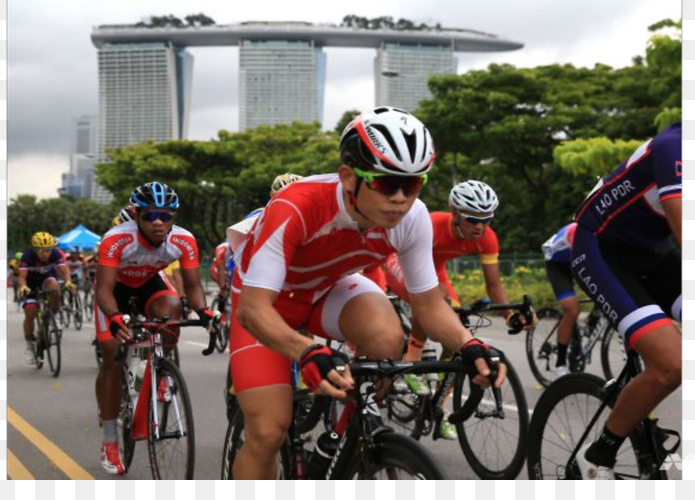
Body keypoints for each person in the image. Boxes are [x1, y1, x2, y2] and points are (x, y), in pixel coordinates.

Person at [229, 106, 507, 479]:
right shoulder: (297, 204)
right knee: (267, 432)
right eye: (385, 183)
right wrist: (306, 350)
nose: (399, 198)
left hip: (326, 290)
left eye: (412, 185)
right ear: (348, 177)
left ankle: (341, 439)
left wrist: (469, 344)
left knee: (387, 337)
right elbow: (253, 308)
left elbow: (427, 305)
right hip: (267, 304)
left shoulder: (412, 219)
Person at [571, 122, 681, 480]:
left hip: (656, 253)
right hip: (602, 249)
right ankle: (598, 453)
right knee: (672, 365)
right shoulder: (674, 147)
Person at [383, 179, 527, 439]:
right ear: (455, 213)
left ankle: (439, 402)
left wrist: (510, 315)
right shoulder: (433, 223)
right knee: (433, 299)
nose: (480, 227)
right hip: (401, 262)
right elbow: (419, 278)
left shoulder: (487, 239)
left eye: (487, 220)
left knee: (458, 326)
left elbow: (493, 285)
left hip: (436, 273)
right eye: (473, 219)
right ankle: (411, 360)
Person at [94, 182, 212, 475]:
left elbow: (194, 288)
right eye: (149, 215)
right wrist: (114, 317)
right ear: (136, 215)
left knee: (171, 311)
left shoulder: (184, 240)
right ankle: (110, 439)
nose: (158, 222)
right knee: (112, 354)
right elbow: (103, 290)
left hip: (149, 284)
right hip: (115, 291)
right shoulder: (117, 239)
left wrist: (207, 313)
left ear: (173, 216)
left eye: (165, 215)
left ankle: (160, 366)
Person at [16, 232, 75, 364]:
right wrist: (23, 287)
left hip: (47, 279)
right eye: (42, 251)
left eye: (48, 250)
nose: (45, 254)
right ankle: (30, 346)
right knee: (30, 312)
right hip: (30, 283)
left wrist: (68, 282)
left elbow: (64, 270)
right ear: (35, 250)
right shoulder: (27, 256)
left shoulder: (56, 253)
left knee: (55, 288)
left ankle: (54, 315)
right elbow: (21, 277)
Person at [541, 222, 579, 379]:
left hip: (576, 258)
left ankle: (589, 324)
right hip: (557, 263)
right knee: (571, 309)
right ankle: (560, 363)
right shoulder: (578, 231)